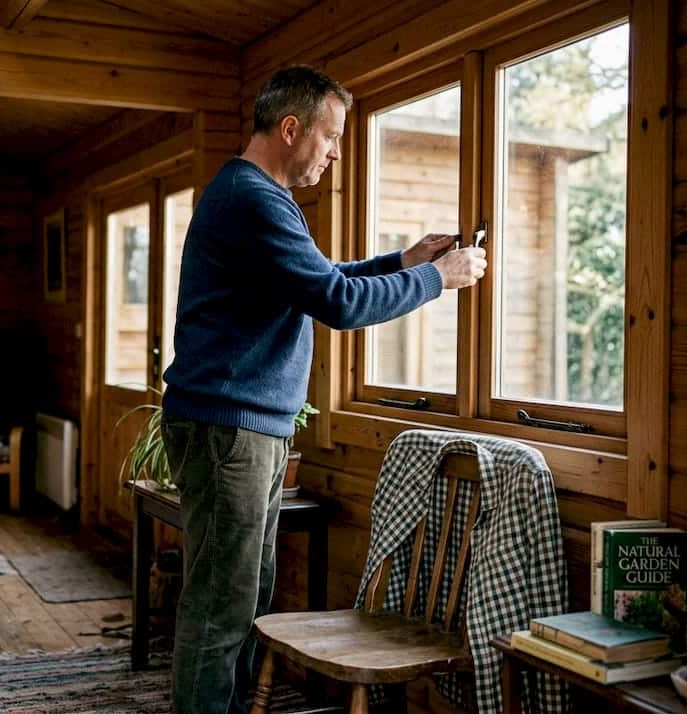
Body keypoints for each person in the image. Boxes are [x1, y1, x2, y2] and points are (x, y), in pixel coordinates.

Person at [159, 65, 487, 714]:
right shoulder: (253, 198)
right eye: (332, 136)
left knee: (243, 597)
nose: (336, 152)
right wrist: (438, 279)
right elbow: (335, 301)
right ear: (290, 129)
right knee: (222, 608)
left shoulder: (252, 196)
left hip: (244, 430)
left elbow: (316, 279)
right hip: (232, 432)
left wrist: (403, 262)